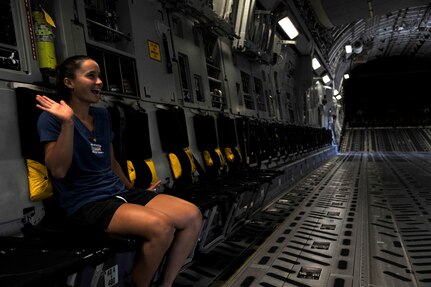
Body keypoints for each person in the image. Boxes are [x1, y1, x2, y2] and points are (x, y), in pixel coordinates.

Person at [36, 55, 202, 287]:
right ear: (69, 83)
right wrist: (68, 124)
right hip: (85, 202)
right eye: (90, 76)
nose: (99, 82)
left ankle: (165, 284)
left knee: (192, 216)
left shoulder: (102, 116)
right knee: (162, 227)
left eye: (99, 76)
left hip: (116, 192)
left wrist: (132, 188)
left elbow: (111, 160)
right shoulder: (51, 119)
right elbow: (59, 170)